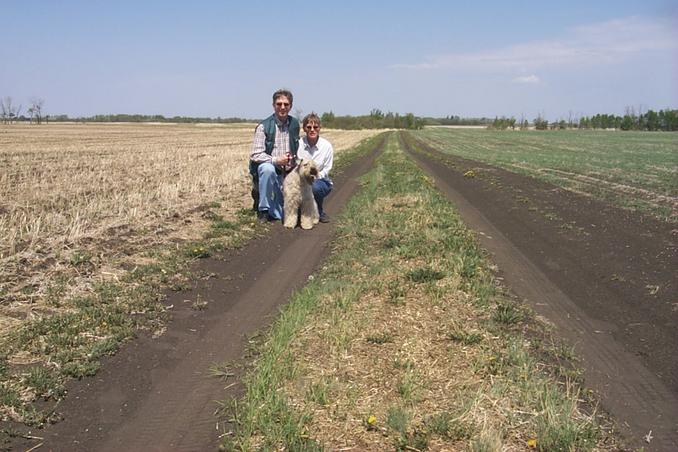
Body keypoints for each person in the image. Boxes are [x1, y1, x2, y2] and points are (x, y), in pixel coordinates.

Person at [249, 89, 300, 222]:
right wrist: (276, 160)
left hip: (288, 172)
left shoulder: (294, 124)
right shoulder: (263, 126)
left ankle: (262, 195)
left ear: (291, 106)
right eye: (279, 104)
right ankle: (263, 209)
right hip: (271, 168)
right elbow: (255, 154)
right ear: (273, 105)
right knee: (267, 169)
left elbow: (297, 147)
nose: (282, 107)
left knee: (281, 215)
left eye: (286, 104)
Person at [297, 112, 333, 223]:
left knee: (314, 188)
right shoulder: (298, 144)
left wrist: (313, 178)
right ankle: (300, 211)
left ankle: (319, 212)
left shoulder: (327, 146)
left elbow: (327, 169)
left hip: (320, 180)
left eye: (315, 127)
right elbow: (295, 165)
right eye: (309, 127)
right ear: (304, 128)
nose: (312, 130)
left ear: (319, 128)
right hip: (300, 179)